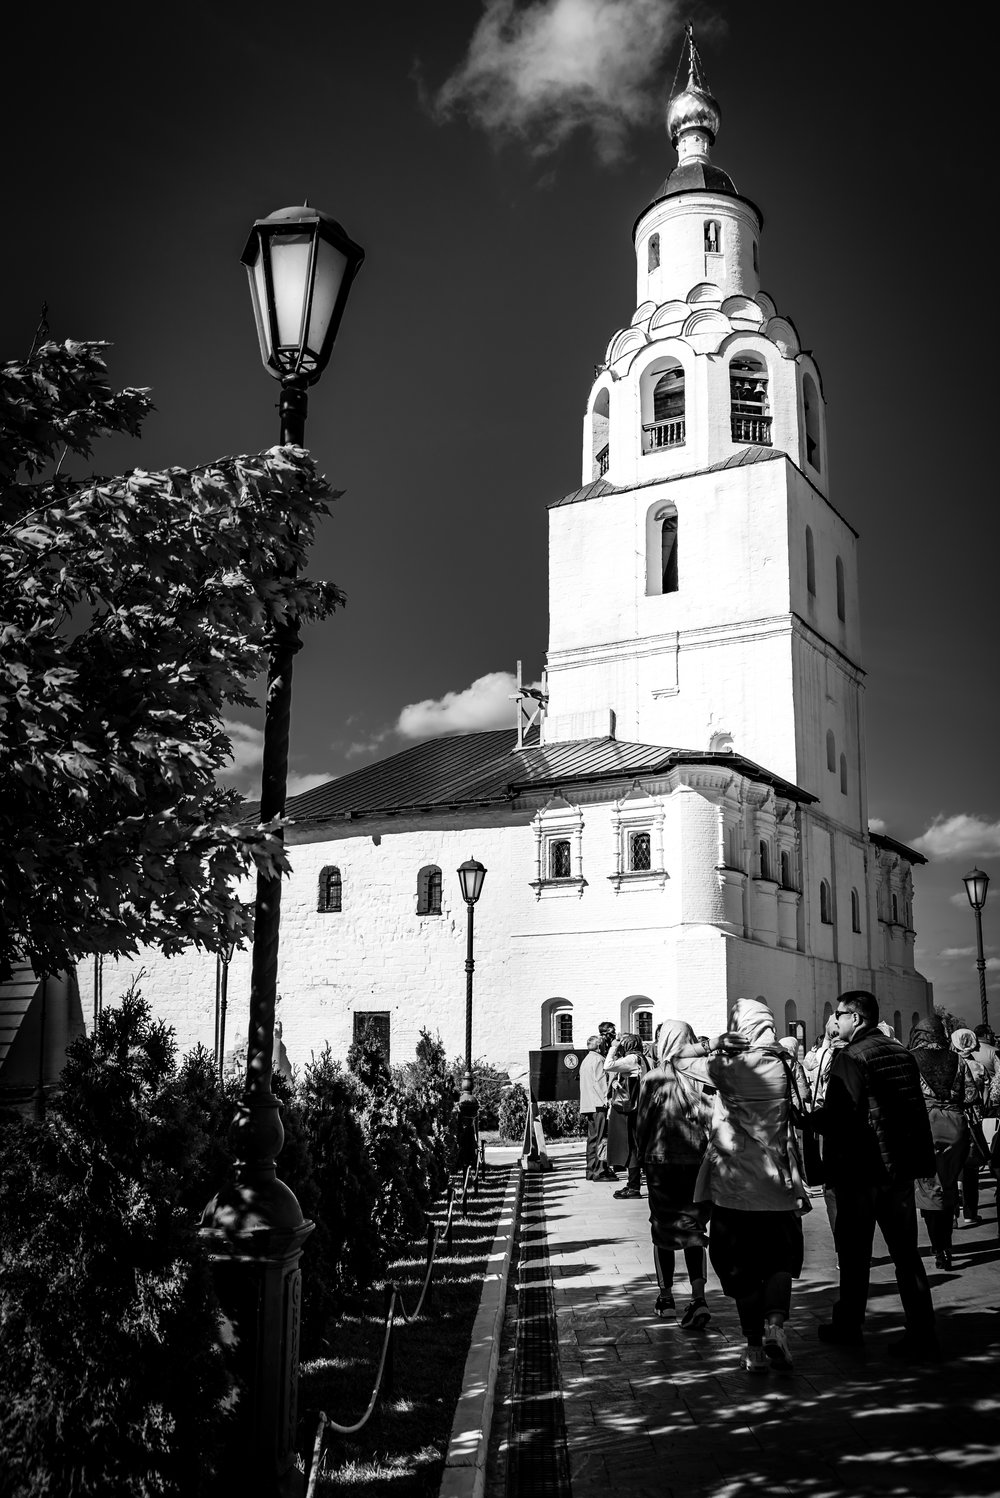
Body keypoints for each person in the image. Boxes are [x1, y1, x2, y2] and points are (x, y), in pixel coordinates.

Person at [676, 997, 810, 1376]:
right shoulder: (784, 1063)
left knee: (740, 1268)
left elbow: (679, 1059)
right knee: (780, 1261)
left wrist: (714, 1042)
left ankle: (753, 1347)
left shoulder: (725, 1067)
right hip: (779, 1186)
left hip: (734, 1188)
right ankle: (775, 1326)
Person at [808, 990, 938, 1360]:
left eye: (840, 1013)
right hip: (897, 1167)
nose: (836, 1020)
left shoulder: (851, 1057)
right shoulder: (901, 1053)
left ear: (858, 1018)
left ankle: (848, 1324)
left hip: (861, 1169)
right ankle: (922, 1329)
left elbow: (842, 1115)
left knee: (853, 1253)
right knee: (906, 1254)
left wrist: (809, 1119)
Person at [635, 1019, 712, 1324]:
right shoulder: (704, 1078)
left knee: (662, 1227)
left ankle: (666, 1296)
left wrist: (641, 1157)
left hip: (660, 1162)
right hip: (698, 1161)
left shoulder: (654, 1079)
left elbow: (642, 1123)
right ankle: (699, 1297)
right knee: (693, 1228)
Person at [909, 1016, 975, 1269]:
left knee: (928, 1186)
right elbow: (970, 1095)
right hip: (956, 1126)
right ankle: (947, 1242)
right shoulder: (957, 1059)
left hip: (926, 1126)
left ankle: (939, 1248)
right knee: (948, 1183)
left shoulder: (911, 1058)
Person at [951, 1027, 989, 1227]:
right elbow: (984, 1097)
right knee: (971, 1165)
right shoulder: (978, 1067)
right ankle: (970, 1212)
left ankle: (952, 1213)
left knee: (952, 1164)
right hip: (973, 1119)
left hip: (953, 1118)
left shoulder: (950, 1064)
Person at [604, 1033, 649, 1199]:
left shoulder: (631, 1059)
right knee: (634, 1146)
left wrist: (613, 1047)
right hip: (639, 1107)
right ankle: (633, 1184)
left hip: (628, 1110)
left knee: (630, 1146)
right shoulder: (643, 1058)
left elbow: (608, 1065)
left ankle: (633, 1187)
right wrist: (619, 1082)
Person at [580, 1034, 616, 1182]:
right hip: (598, 1104)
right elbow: (600, 1082)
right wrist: (606, 1100)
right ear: (600, 1046)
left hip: (587, 1103)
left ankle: (590, 1170)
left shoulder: (586, 1060)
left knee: (592, 1139)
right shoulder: (599, 1060)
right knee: (602, 1139)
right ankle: (600, 1171)